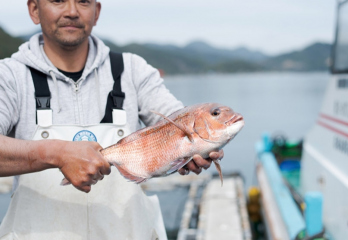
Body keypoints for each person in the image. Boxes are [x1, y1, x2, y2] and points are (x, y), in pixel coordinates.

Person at [0, 0, 224, 239]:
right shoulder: (9, 77)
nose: (72, 12)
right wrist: (55, 153)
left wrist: (197, 144)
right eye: (58, 0)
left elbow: (174, 118)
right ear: (34, 10)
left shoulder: (132, 70)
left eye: (84, 2)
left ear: (96, 12)